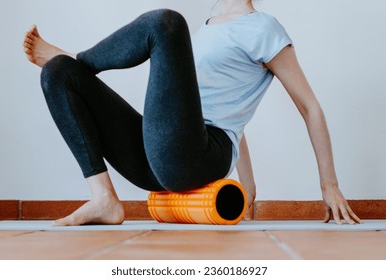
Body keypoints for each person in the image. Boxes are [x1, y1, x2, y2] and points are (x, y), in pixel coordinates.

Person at [23, 0, 361, 226]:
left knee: (165, 23)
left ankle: (78, 59)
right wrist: (250, 186)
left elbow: (309, 106)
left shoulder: (264, 27)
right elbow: (220, 104)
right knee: (57, 73)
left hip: (200, 154)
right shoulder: (207, 29)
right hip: (160, 154)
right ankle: (103, 198)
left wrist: (329, 186)